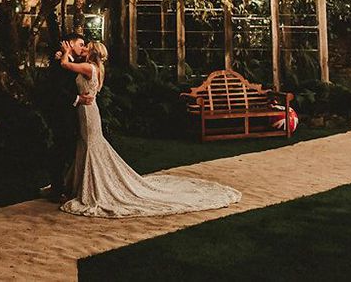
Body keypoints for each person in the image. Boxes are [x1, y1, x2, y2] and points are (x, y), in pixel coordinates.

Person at [58, 41, 241, 218]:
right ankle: (81, 184)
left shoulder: (89, 68)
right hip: (86, 110)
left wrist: (65, 51)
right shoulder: (95, 68)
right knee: (88, 145)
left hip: (88, 111)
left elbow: (66, 65)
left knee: (91, 145)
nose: (83, 49)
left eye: (87, 47)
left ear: (92, 53)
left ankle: (92, 186)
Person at [43, 32, 94, 202]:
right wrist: (78, 99)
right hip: (61, 113)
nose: (83, 47)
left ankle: (64, 185)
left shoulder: (74, 62)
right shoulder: (60, 63)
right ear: (70, 44)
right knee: (61, 150)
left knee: (69, 149)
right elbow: (57, 91)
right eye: (80, 44)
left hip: (72, 114)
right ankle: (57, 190)